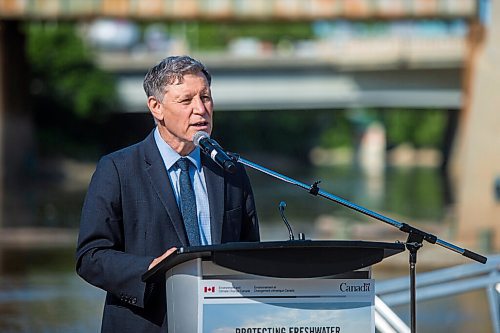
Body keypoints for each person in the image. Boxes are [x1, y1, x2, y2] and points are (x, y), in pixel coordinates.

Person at [76, 55, 260, 332]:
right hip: (146, 323)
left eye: (206, 97)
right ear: (156, 107)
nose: (200, 109)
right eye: (186, 101)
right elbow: (91, 257)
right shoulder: (116, 169)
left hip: (221, 322)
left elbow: (250, 252)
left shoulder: (230, 170)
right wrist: (151, 268)